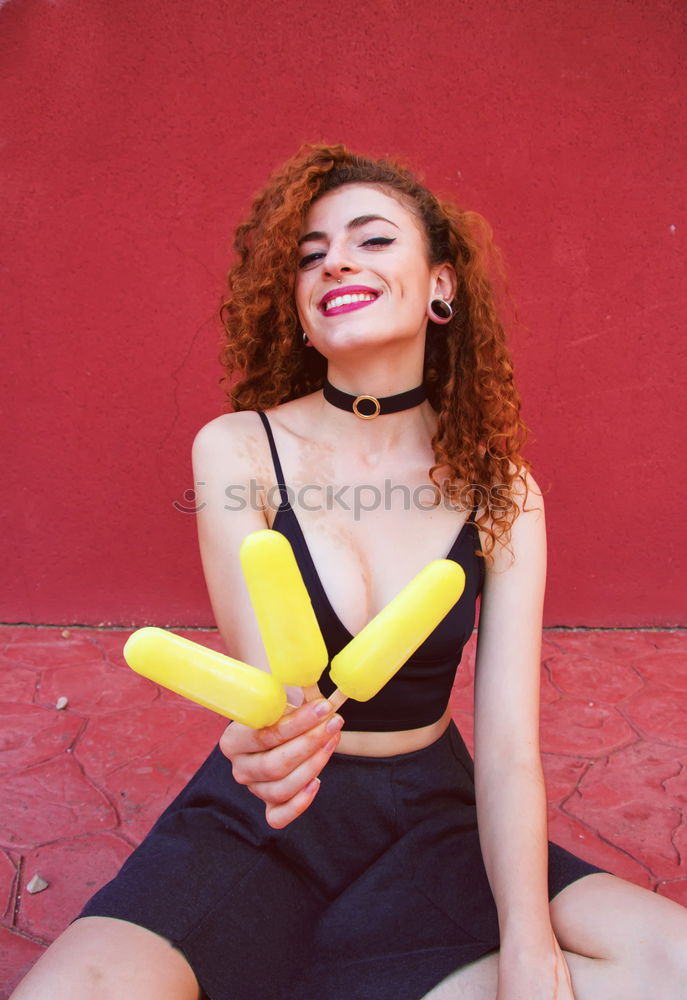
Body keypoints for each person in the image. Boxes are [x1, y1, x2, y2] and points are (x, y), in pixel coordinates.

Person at [13, 144, 687, 1000]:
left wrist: (527, 940)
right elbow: (273, 691)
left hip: (433, 818)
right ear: (298, 309)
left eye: (371, 240)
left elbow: (510, 749)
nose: (333, 259)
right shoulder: (237, 451)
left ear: (441, 286)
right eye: (310, 254)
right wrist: (265, 746)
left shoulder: (501, 491)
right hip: (269, 815)